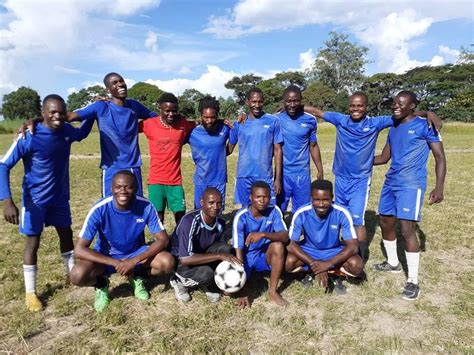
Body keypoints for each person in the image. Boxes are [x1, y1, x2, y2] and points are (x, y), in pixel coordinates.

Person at [304, 92, 441, 261]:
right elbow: (317, 112)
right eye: (353, 105)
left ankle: (359, 258)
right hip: (340, 178)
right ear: (348, 107)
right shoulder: (340, 120)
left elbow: (404, 114)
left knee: (357, 219)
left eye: (360, 105)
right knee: (339, 216)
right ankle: (337, 252)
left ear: (366, 107)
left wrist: (427, 113)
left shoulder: (376, 123)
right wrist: (294, 107)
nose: (356, 109)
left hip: (361, 180)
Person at [0, 94, 93, 312]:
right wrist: (6, 201)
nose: (57, 116)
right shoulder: (28, 136)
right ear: (43, 113)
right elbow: (2, 166)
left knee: (66, 235)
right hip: (35, 202)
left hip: (60, 198)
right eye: (52, 112)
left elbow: (82, 132)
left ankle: (71, 275)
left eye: (61, 112)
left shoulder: (66, 131)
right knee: (33, 243)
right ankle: (30, 293)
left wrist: (93, 113)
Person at [373, 90, 446, 301]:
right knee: (385, 222)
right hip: (391, 182)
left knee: (407, 229)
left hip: (411, 184)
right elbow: (384, 158)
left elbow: (440, 157)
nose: (395, 106)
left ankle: (413, 281)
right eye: (394, 103)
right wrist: (358, 161)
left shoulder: (426, 126)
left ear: (412, 106)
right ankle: (393, 263)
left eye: (401, 103)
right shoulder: (394, 127)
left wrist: (439, 187)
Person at [70, 170, 174, 312]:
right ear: (111, 188)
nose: (123, 191)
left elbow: (163, 240)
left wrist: (134, 261)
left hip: (134, 254)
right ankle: (101, 284)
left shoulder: (146, 206)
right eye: (118, 187)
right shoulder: (99, 209)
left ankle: (138, 277)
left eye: (128, 187)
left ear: (136, 188)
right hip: (107, 257)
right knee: (77, 275)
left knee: (167, 262)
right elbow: (79, 250)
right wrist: (117, 263)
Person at [69, 72, 157, 197]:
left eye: (121, 81)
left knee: (136, 206)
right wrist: (43, 119)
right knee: (110, 206)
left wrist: (140, 126)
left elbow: (154, 117)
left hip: (132, 166)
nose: (120, 84)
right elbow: (72, 116)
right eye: (115, 83)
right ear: (108, 89)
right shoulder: (101, 107)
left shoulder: (134, 105)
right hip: (111, 168)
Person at [285, 180, 364, 291]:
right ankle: (313, 271)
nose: (321, 204)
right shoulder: (302, 212)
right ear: (311, 198)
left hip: (333, 251)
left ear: (332, 197)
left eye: (325, 200)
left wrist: (329, 263)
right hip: (310, 251)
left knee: (357, 266)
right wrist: (313, 263)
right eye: (317, 200)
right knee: (289, 263)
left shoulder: (341, 212)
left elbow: (353, 246)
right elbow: (291, 244)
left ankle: (334, 272)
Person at [169, 188, 240, 303]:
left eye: (219, 203)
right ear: (202, 203)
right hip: (182, 262)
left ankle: (207, 282)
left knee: (225, 249)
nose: (216, 207)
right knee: (207, 273)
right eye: (211, 203)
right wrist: (218, 256)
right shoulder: (189, 221)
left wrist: (230, 280)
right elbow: (185, 259)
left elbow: (221, 250)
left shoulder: (220, 223)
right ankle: (178, 280)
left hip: (201, 256)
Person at [139, 93, 196, 225]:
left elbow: (202, 122)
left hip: (175, 181)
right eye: (167, 111)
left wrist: (223, 121)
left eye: (174, 111)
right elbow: (126, 128)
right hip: (155, 180)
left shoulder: (183, 124)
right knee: (158, 216)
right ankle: (162, 243)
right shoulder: (148, 124)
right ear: (160, 109)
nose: (171, 114)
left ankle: (179, 242)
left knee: (181, 215)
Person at [232, 181, 289, 307]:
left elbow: (285, 236)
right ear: (250, 198)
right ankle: (246, 280)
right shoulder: (241, 216)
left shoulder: (274, 211)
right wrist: (243, 288)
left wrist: (263, 234)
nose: (262, 200)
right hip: (246, 257)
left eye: (266, 197)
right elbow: (238, 251)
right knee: (228, 291)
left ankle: (273, 291)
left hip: (264, 254)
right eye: (258, 197)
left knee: (278, 245)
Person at [228, 88, 283, 207]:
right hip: (244, 175)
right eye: (253, 101)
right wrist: (220, 123)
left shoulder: (273, 121)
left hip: (265, 176)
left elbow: (278, 150)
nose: (257, 105)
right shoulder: (239, 123)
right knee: (246, 211)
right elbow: (228, 150)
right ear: (247, 102)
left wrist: (278, 179)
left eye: (260, 101)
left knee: (268, 211)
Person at [276, 85, 323, 214]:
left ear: (301, 101)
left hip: (302, 174)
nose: (292, 104)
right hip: (282, 174)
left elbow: (313, 146)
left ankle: (298, 233)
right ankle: (281, 233)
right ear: (283, 101)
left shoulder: (310, 120)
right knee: (278, 210)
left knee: (302, 211)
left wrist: (320, 170)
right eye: (288, 101)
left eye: (295, 101)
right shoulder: (276, 119)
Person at [188, 96, 231, 209]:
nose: (209, 121)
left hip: (219, 179)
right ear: (200, 116)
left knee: (217, 211)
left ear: (217, 115)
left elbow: (236, 137)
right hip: (201, 179)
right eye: (205, 117)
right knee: (200, 210)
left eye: (212, 117)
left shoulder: (224, 129)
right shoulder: (192, 131)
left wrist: (223, 153)